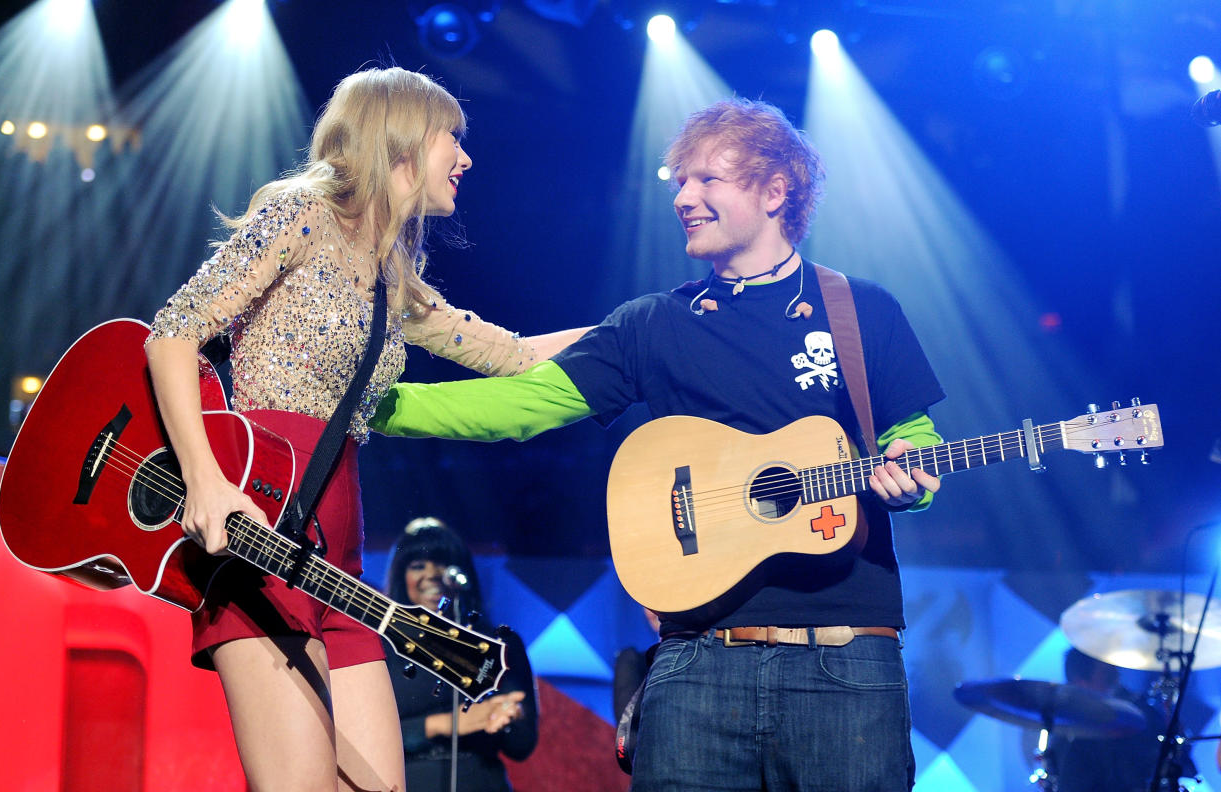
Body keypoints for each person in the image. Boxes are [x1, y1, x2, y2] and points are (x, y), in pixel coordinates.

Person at [369, 97, 946, 791]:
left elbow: (911, 437)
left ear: (774, 189)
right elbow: (517, 406)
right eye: (678, 181)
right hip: (694, 663)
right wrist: (367, 402)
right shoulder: (653, 324)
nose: (683, 197)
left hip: (847, 663)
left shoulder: (859, 309)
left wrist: (912, 481)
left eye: (706, 180)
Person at [144, 67, 584, 792]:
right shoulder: (301, 214)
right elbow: (173, 333)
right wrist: (206, 481)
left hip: (338, 561)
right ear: (403, 136)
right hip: (262, 541)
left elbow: (509, 354)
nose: (465, 159)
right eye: (454, 138)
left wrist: (640, 329)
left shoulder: (391, 273)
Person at [384, 517, 537, 791]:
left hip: (481, 779)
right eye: (418, 565)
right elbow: (370, 737)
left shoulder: (500, 644)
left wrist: (508, 716)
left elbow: (522, 745)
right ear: (400, 577)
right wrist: (447, 724)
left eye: (442, 563)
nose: (432, 574)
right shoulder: (382, 647)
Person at [1050, 648, 1174, 792]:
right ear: (1080, 683)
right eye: (1107, 677)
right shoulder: (1067, 739)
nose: (1117, 684)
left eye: (1116, 674)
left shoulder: (1139, 712)